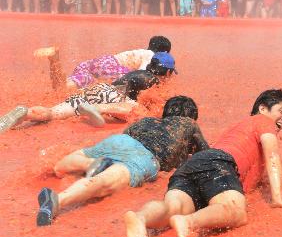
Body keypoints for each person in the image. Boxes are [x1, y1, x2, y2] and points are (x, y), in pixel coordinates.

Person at [124, 89, 282, 237]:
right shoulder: (263, 121)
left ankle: (140, 218)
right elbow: (272, 155)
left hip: (195, 164)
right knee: (236, 211)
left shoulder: (236, 130)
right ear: (263, 108)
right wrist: (277, 198)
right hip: (219, 162)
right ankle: (189, 222)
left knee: (172, 206)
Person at [33, 96, 207, 226]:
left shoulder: (146, 121)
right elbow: (206, 153)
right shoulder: (188, 124)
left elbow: (126, 135)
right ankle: (58, 200)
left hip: (119, 141)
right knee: (104, 182)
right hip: (144, 156)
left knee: (71, 162)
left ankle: (86, 164)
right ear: (192, 116)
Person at [0, 51, 177, 133]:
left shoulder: (135, 71)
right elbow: (150, 106)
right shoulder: (155, 81)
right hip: (113, 98)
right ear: (168, 72)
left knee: (52, 113)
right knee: (141, 113)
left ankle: (26, 113)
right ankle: (98, 109)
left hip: (98, 89)